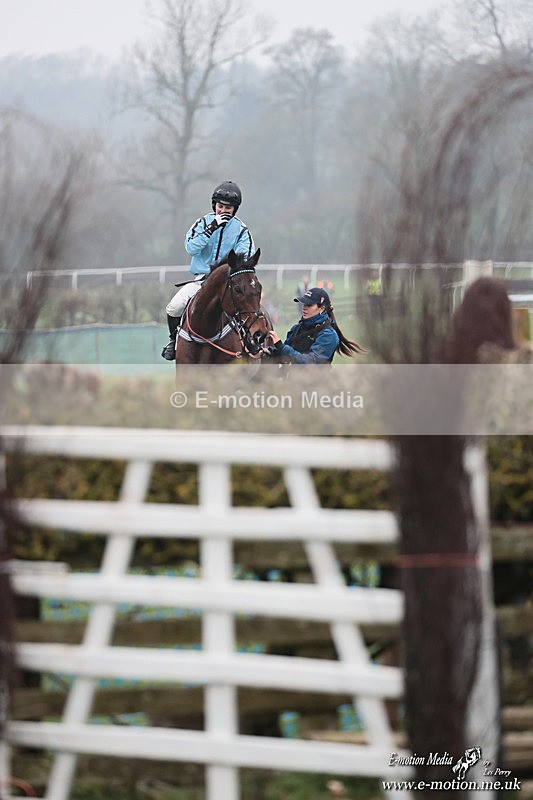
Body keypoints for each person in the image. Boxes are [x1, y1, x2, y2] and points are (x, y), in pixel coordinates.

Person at [161, 180, 255, 360]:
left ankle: (249, 342)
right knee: (174, 308)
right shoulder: (203, 223)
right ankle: (174, 341)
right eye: (220, 206)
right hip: (202, 280)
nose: (224, 211)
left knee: (247, 310)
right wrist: (212, 228)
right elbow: (191, 247)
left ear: (235, 209)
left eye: (228, 208)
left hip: (229, 281)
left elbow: (246, 257)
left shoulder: (241, 230)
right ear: (215, 206)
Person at [264, 287, 366, 364]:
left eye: (309, 305)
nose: (304, 308)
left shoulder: (329, 335)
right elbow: (284, 356)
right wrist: (267, 352)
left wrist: (281, 346)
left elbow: (311, 362)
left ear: (321, 308)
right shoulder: (296, 329)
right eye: (303, 304)